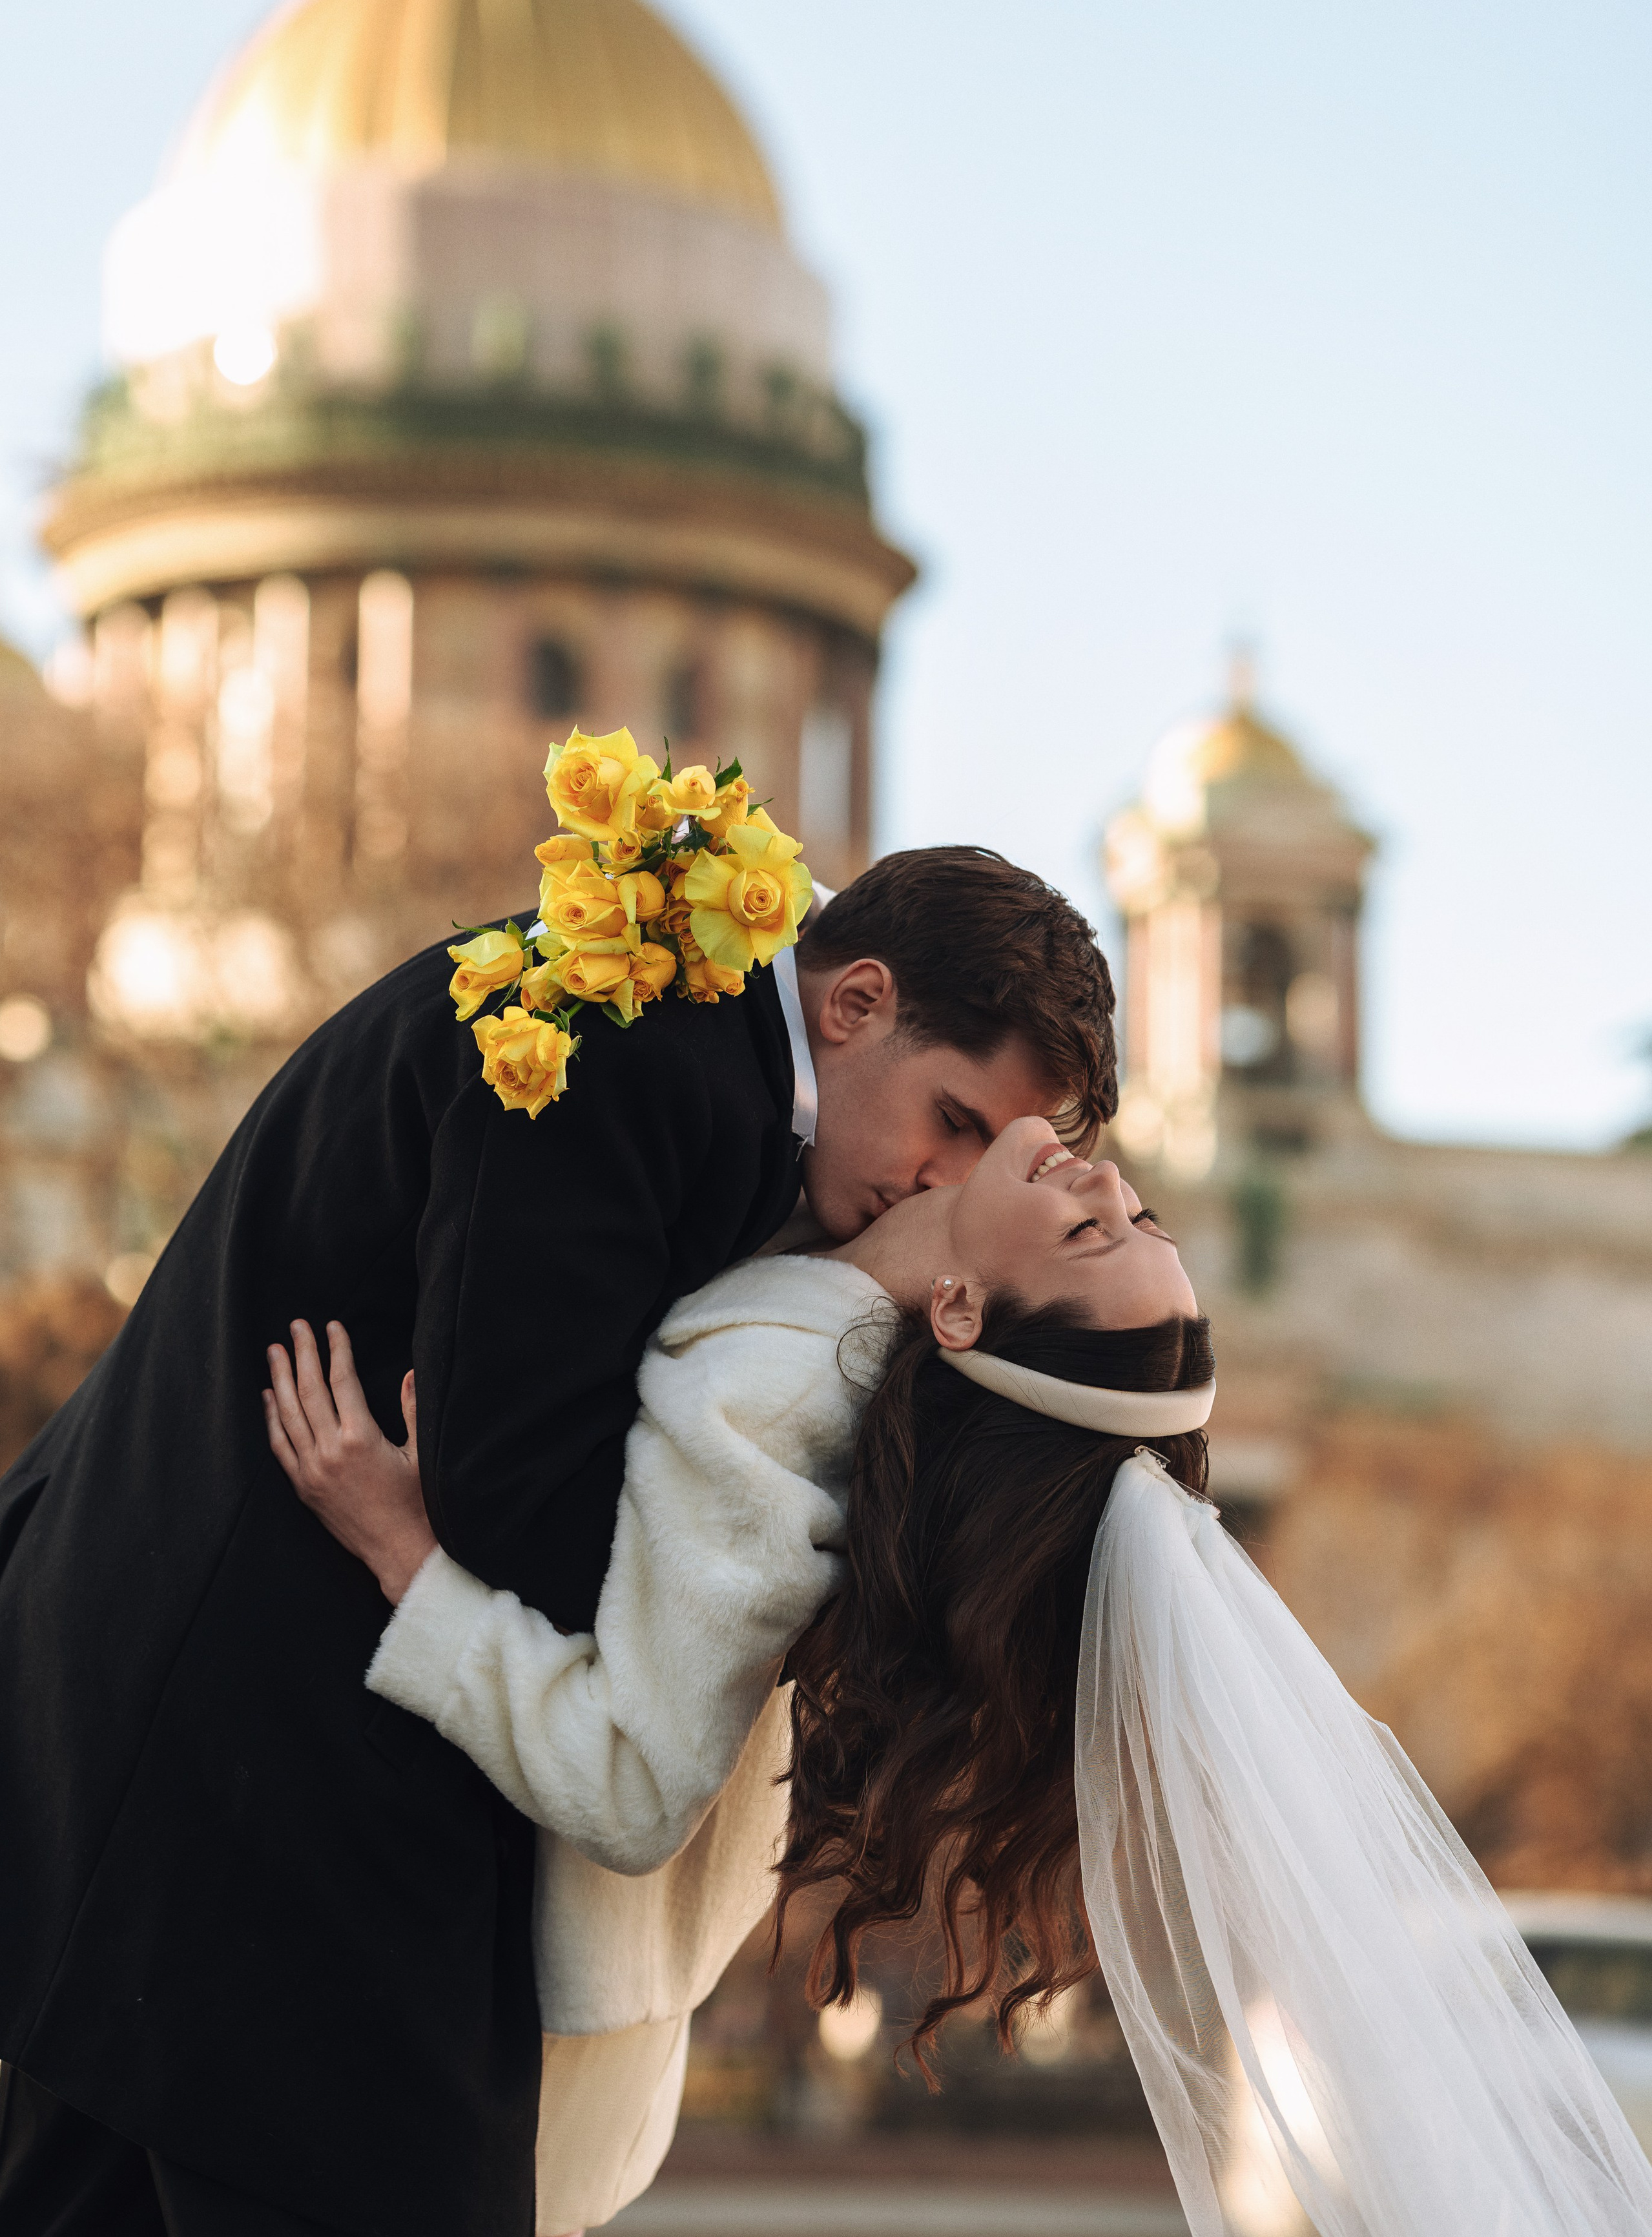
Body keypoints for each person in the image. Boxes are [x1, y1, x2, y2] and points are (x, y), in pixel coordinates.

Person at [0, 845, 1117, 2237]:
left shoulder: (683, 1016)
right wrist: (843, 1293)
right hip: (252, 1790)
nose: (939, 1187)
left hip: (170, 1749)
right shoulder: (634, 1057)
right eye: (949, 1123)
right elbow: (534, 1528)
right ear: (856, 1002)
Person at [271, 1118, 1652, 2237]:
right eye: (1139, 1221)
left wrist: (405, 1553)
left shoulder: (783, 1417)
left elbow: (632, 1791)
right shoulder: (846, 1371)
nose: (1107, 1176)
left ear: (956, 1305)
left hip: (503, 2088)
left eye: (1094, 1229)